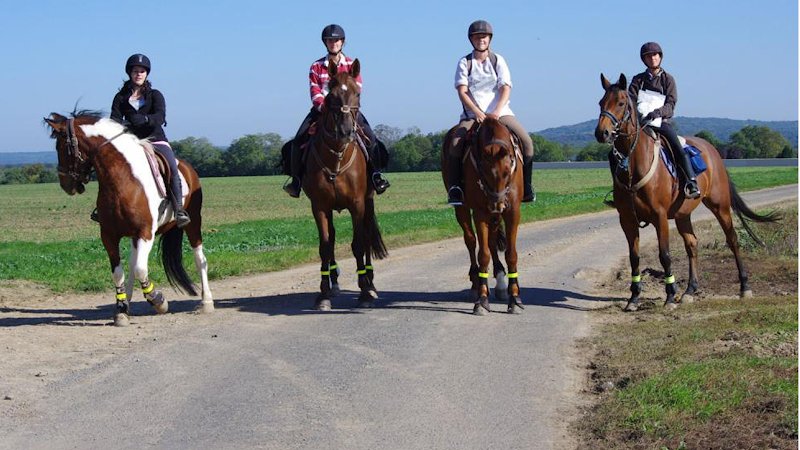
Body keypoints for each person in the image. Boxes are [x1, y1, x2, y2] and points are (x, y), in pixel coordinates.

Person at [283, 24, 390, 198]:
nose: (333, 43)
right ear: (325, 43)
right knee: (298, 140)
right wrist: (325, 108)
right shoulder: (316, 66)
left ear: (342, 42)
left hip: (348, 109)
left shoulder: (351, 64)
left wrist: (346, 107)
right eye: (330, 40)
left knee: (370, 137)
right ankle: (296, 181)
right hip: (323, 110)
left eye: (336, 40)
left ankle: (376, 175)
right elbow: (315, 91)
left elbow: (358, 87)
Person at [91, 54, 191, 227]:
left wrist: (145, 120)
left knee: (172, 167)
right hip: (130, 142)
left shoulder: (155, 95)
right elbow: (114, 120)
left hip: (155, 139)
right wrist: (124, 124)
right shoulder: (120, 97)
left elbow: (160, 116)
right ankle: (103, 208)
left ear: (146, 74)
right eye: (136, 71)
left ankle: (179, 209)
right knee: (109, 169)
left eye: (142, 71)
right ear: (130, 73)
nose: (139, 74)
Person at [445, 20, 535, 206]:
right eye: (477, 37)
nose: (481, 40)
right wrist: (477, 112)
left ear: (489, 39)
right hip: (473, 115)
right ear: (471, 40)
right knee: (454, 144)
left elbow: (506, 88)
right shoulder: (465, 62)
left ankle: (526, 187)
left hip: (500, 113)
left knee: (527, 142)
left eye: (484, 37)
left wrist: (496, 111)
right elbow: (462, 91)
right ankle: (456, 189)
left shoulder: (498, 60)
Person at [628, 42, 700, 199]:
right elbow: (630, 101)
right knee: (619, 151)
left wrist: (657, 113)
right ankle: (620, 190)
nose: (652, 58)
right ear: (644, 60)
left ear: (660, 57)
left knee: (677, 147)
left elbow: (671, 104)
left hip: (661, 124)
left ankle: (691, 181)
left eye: (655, 55)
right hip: (641, 125)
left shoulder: (668, 79)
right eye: (648, 56)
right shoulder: (637, 80)